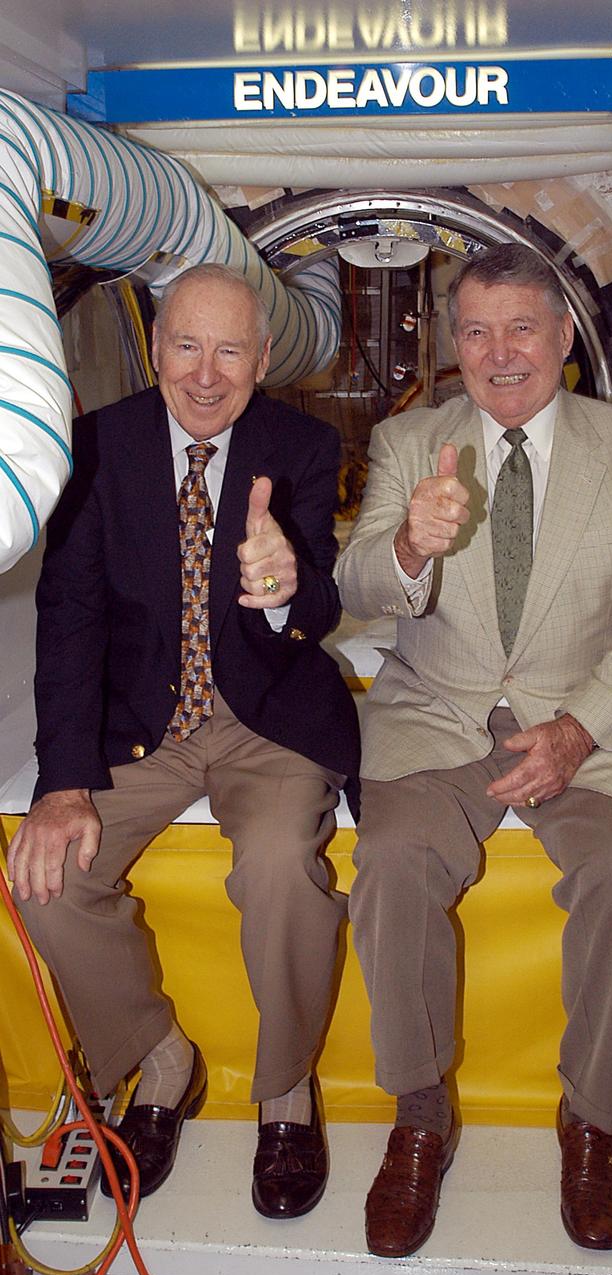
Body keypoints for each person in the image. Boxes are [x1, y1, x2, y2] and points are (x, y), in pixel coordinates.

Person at [335, 242, 612, 1256]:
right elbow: (356, 583)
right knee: (393, 863)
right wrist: (407, 545)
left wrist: (579, 729)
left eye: (522, 327)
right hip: (438, 710)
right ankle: (420, 1111)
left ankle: (592, 1116)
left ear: (565, 334)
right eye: (478, 330)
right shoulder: (410, 438)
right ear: (454, 343)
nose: (500, 353)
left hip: (587, 714)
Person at [7, 262, 360, 1218]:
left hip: (268, 718)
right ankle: (158, 1058)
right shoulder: (90, 448)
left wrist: (287, 588)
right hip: (141, 725)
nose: (207, 375)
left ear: (265, 357)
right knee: (48, 877)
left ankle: (286, 1085)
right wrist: (64, 781)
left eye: (231, 350)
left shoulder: (301, 444)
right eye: (187, 346)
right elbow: (69, 618)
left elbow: (319, 605)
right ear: (155, 348)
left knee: (284, 865)